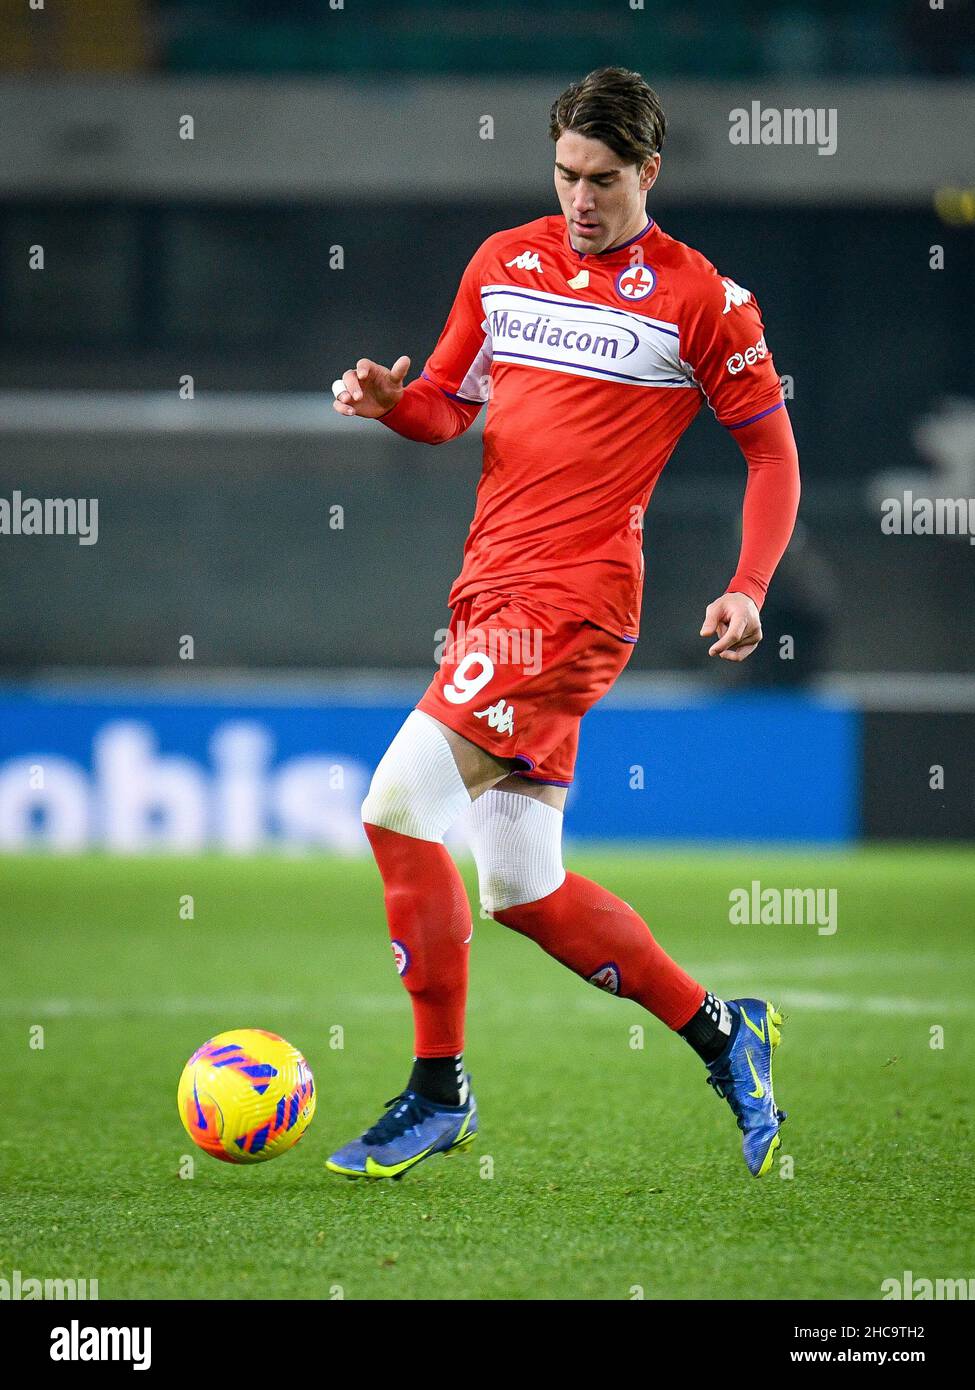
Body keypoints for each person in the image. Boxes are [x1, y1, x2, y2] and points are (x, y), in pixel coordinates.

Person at [327, 67, 800, 1181]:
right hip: (487, 590)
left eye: (602, 178)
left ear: (648, 172)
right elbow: (448, 405)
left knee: (398, 807)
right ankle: (727, 1036)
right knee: (523, 890)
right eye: (563, 173)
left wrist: (749, 584)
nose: (580, 197)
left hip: (575, 603)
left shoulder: (705, 302)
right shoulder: (504, 263)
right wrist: (395, 404)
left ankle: (438, 1090)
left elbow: (771, 452)